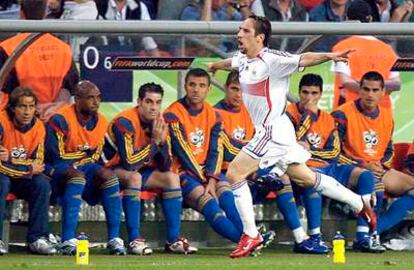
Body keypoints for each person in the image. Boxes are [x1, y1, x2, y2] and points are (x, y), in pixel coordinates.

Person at [205, 15, 376, 258]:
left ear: (259, 37)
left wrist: (329, 56)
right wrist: (215, 66)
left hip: (271, 131)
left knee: (234, 173)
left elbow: (304, 58)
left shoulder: (274, 59)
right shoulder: (243, 59)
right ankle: (360, 204)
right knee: (307, 178)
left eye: (244, 30)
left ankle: (251, 235)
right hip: (279, 129)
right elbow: (232, 62)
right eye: (239, 29)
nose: (238, 34)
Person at [216, 70, 327, 254]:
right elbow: (226, 148)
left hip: (254, 169)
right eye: (234, 89)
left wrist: (256, 161)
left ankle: (302, 238)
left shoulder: (253, 113)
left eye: (242, 90)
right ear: (226, 88)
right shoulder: (216, 113)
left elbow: (265, 144)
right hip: (226, 171)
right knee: (227, 188)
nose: (238, 95)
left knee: (285, 177)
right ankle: (248, 237)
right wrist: (252, 159)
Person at [286, 73, 384, 252]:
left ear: (321, 94)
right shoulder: (288, 114)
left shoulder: (327, 118)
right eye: (305, 93)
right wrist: (308, 114)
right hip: (302, 169)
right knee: (311, 179)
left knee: (366, 176)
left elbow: (334, 152)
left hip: (328, 167)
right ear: (299, 93)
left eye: (314, 93)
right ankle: (315, 236)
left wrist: (310, 151)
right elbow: (292, 148)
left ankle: (363, 236)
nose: (309, 98)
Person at [102, 82, 197, 254]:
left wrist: (161, 144)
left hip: (139, 168)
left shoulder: (160, 122)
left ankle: (173, 240)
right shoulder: (124, 122)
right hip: (110, 170)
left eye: (158, 102)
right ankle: (134, 240)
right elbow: (129, 163)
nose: (154, 107)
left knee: (171, 177)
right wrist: (155, 143)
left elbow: (167, 165)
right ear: (139, 101)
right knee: (134, 177)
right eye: (149, 102)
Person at [45, 80, 126, 255]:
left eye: (98, 98)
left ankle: (114, 238)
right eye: (90, 98)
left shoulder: (102, 120)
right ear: (77, 99)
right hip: (55, 169)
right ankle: (68, 239)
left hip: (81, 166)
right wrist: (83, 157)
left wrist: (80, 160)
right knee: (77, 176)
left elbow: (96, 155)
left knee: (109, 176)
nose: (96, 102)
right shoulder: (60, 119)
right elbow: (56, 156)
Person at [164, 68, 244, 245]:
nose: (196, 90)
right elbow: (182, 151)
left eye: (201, 86)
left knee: (227, 196)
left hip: (207, 174)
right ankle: (243, 241)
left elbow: (216, 150)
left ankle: (249, 239)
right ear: (185, 86)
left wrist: (212, 179)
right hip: (182, 172)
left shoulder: (214, 115)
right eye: (192, 84)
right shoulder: (173, 113)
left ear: (209, 90)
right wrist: (206, 180)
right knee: (210, 205)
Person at [332, 71, 414, 240]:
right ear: (359, 90)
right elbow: (333, 153)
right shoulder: (342, 114)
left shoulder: (387, 116)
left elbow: (389, 150)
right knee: (373, 182)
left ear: (383, 92)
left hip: (376, 169)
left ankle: (375, 231)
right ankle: (364, 235)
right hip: (349, 169)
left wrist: (380, 165)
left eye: (375, 90)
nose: (370, 94)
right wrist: (362, 164)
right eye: (366, 89)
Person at [0, 0, 79, 121]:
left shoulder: (7, 48)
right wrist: (54, 107)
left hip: (20, 122)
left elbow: (5, 91)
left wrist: (32, 108)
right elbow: (69, 86)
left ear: (21, 13)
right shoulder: (63, 48)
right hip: (53, 118)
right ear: (44, 15)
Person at [0, 87, 56, 255]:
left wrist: (10, 159)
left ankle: (37, 238)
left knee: (41, 184)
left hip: (19, 173)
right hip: (4, 175)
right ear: (12, 108)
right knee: (2, 181)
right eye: (22, 107)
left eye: (31, 106)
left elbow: (38, 164)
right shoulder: (2, 123)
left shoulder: (39, 127)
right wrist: (27, 168)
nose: (27, 112)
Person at [331, 0, 400, 110]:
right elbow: (396, 84)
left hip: (350, 113)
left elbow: (346, 81)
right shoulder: (388, 50)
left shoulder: (342, 48)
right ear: (370, 19)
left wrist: (364, 86)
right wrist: (377, 88)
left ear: (347, 19)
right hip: (382, 115)